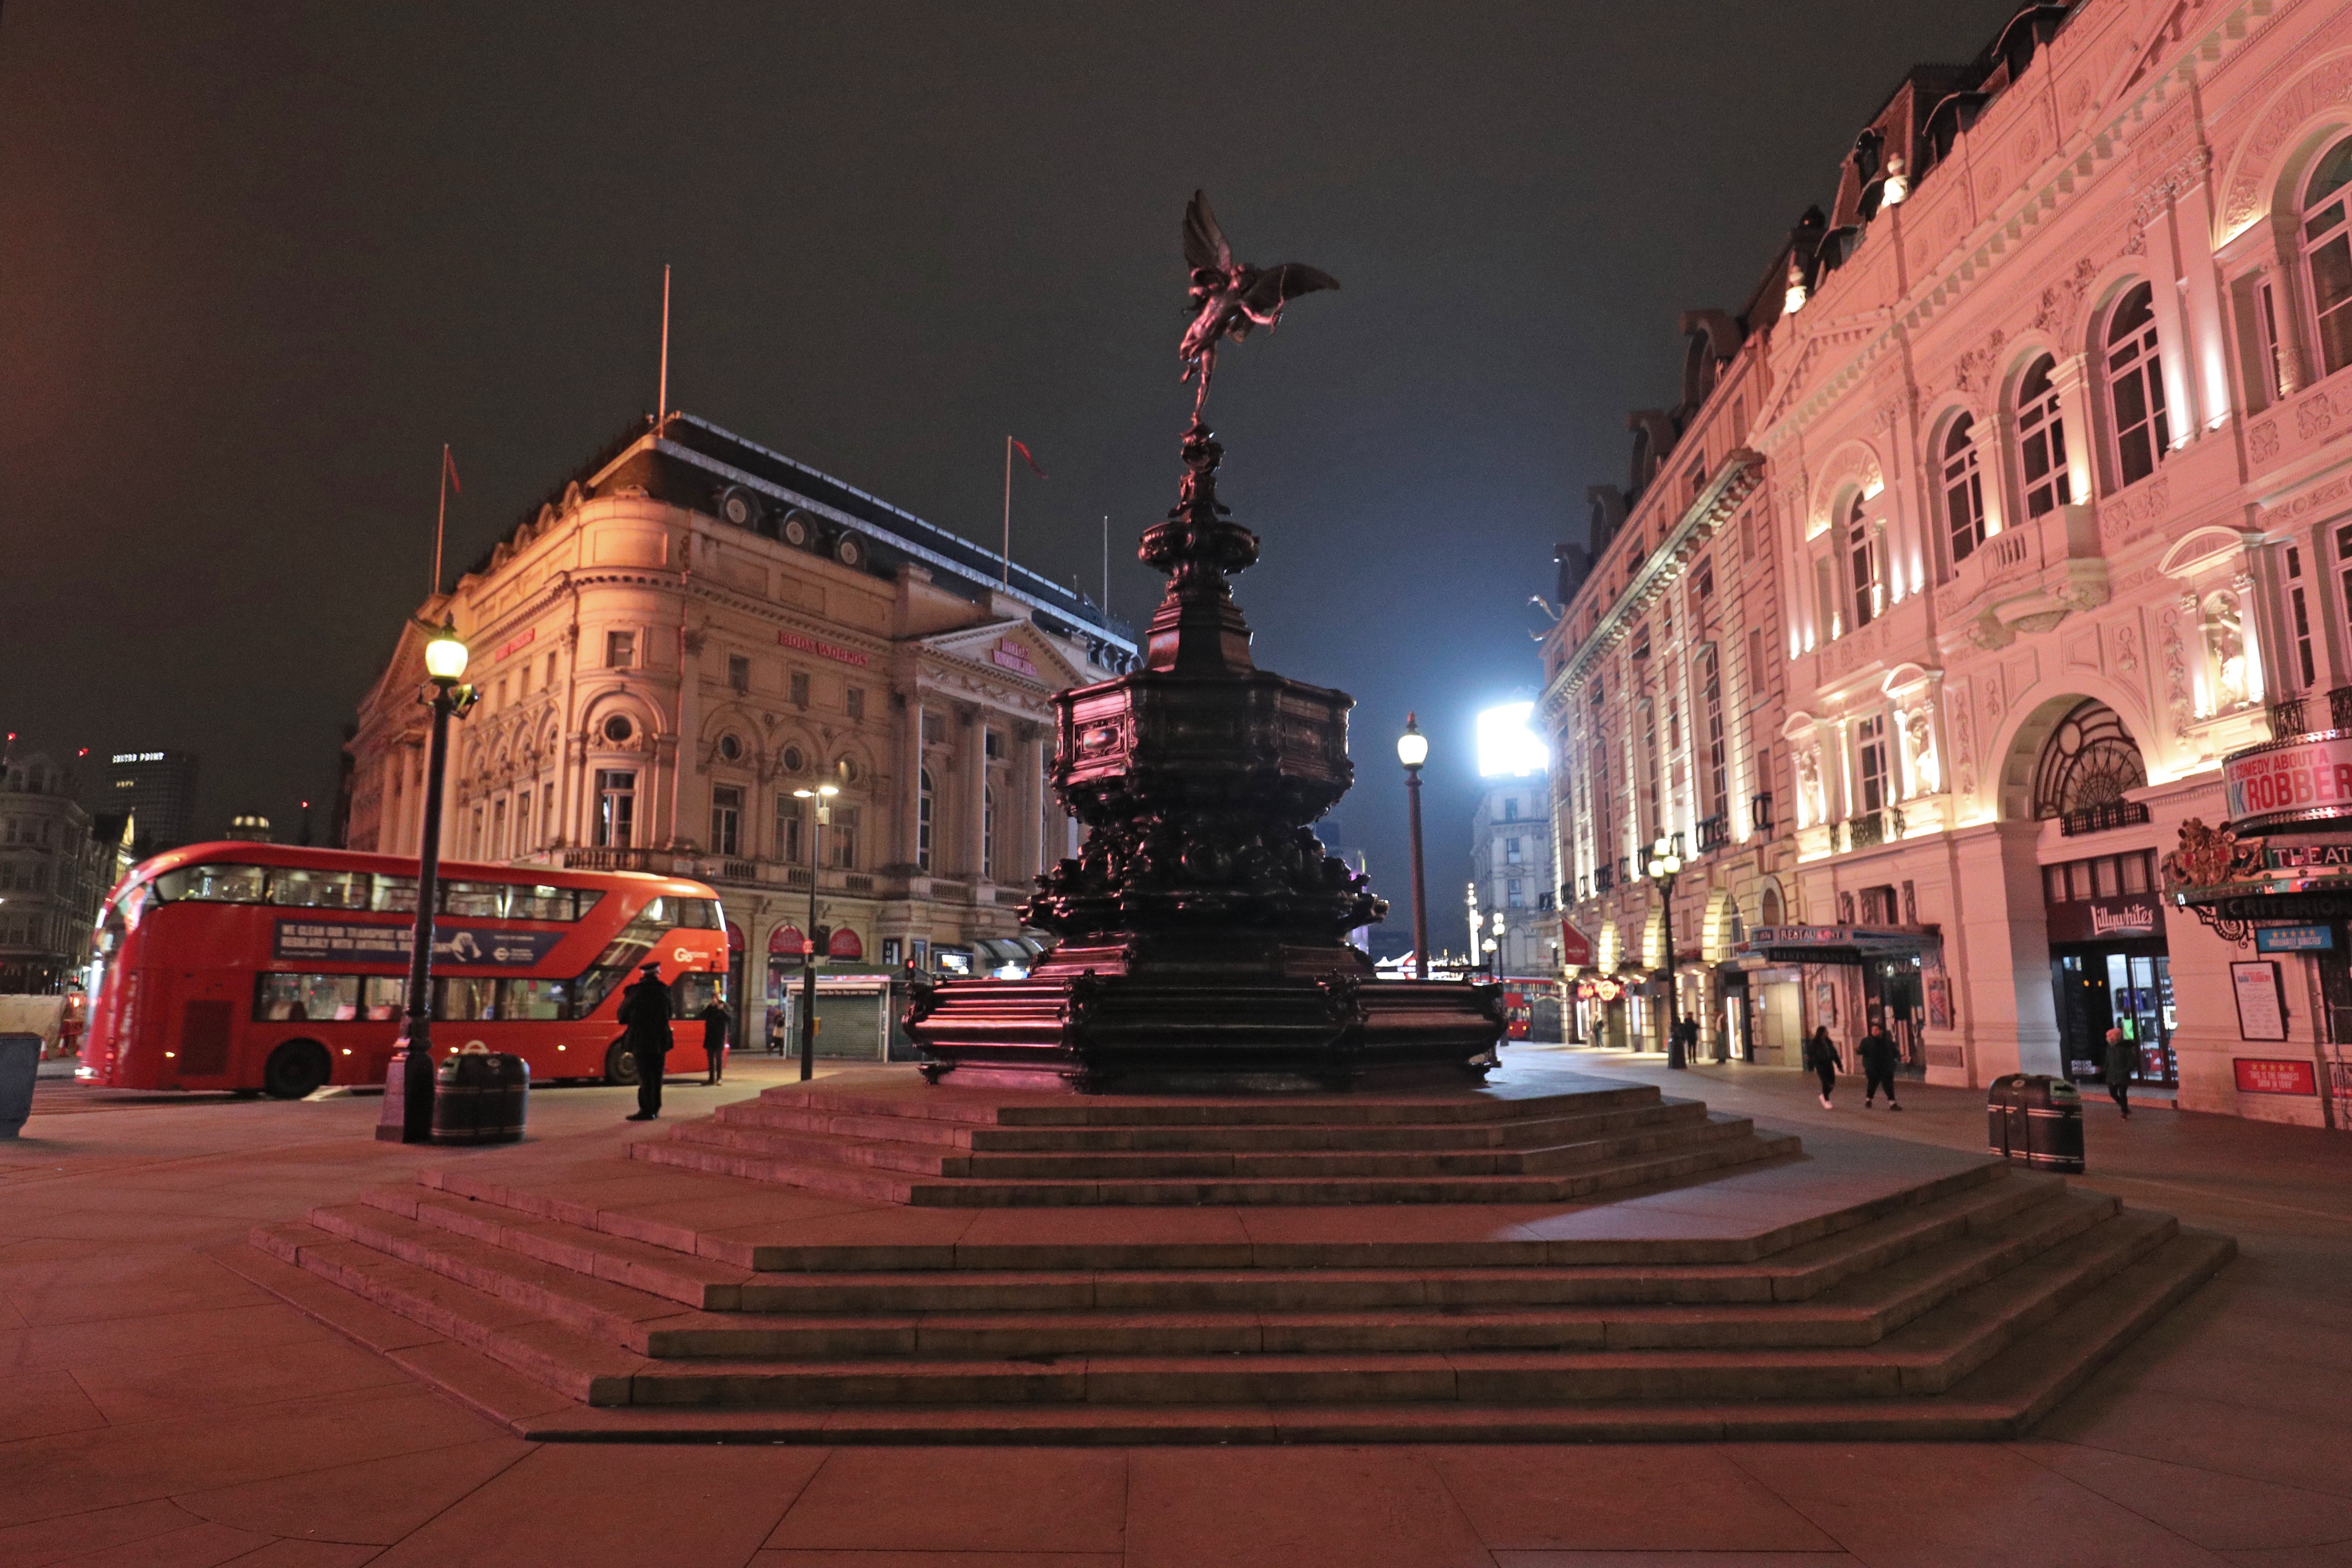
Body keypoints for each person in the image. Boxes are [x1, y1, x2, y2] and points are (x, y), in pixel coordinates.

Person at [618, 961, 672, 1121]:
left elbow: (622, 1016)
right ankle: (655, 1107)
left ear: (643, 974)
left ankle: (646, 1110)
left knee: (645, 1075)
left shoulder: (636, 992)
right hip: (660, 1040)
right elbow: (670, 1013)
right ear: (658, 973)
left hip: (641, 1039)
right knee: (657, 1074)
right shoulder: (664, 991)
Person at [1858, 1016, 1902, 1110]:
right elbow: (1862, 1051)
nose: (1874, 1032)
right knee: (1872, 1084)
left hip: (1886, 1067)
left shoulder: (1887, 1041)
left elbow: (1894, 1052)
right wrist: (1859, 1051)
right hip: (1873, 1067)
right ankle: (1869, 1100)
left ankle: (1892, 1103)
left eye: (1876, 1030)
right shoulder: (1867, 1041)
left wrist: (1900, 1057)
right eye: (1873, 1030)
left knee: (1888, 1085)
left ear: (1881, 1031)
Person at [1806, 1025, 1841, 1109]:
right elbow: (1811, 1055)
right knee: (1826, 1082)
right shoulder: (1815, 1043)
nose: (1828, 1033)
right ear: (1822, 1033)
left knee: (1832, 1084)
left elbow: (1835, 1054)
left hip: (1829, 1064)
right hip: (1820, 1065)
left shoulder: (1829, 1042)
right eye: (1826, 1032)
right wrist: (1811, 1065)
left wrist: (1839, 1065)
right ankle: (1826, 1100)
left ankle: (1823, 1095)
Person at [2103, 1025, 2135, 1118]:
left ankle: (2124, 1112)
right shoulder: (2109, 1049)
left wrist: (2125, 1070)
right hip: (2112, 1075)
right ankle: (2124, 1107)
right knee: (2113, 1093)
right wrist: (2105, 1069)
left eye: (2109, 1037)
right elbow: (2108, 1061)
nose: (2108, 1039)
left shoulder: (2125, 1049)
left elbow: (2132, 1062)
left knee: (2122, 1093)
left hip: (2122, 1075)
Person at [700, 998, 731, 1086]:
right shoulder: (710, 1009)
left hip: (719, 1037)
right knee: (710, 1059)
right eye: (713, 998)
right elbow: (701, 1015)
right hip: (710, 1037)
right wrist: (710, 1007)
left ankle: (719, 1078)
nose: (714, 1000)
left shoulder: (725, 1008)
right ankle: (711, 1079)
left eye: (716, 998)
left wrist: (722, 1010)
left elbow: (729, 1019)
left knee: (718, 1058)